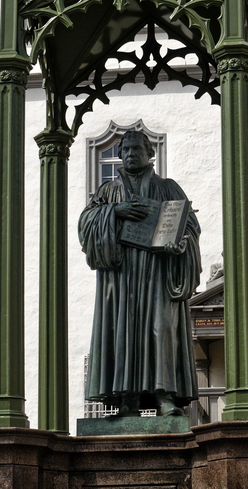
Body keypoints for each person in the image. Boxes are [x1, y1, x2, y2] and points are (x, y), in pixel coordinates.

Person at [79, 130, 201, 417]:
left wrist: (181, 242)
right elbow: (86, 225)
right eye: (126, 150)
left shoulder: (168, 188)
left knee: (161, 329)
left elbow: (189, 225)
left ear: (150, 154)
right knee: (123, 331)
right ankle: (127, 401)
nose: (131, 154)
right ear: (120, 155)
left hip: (157, 271)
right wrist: (115, 211)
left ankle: (164, 396)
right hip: (120, 276)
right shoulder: (108, 192)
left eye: (137, 149)